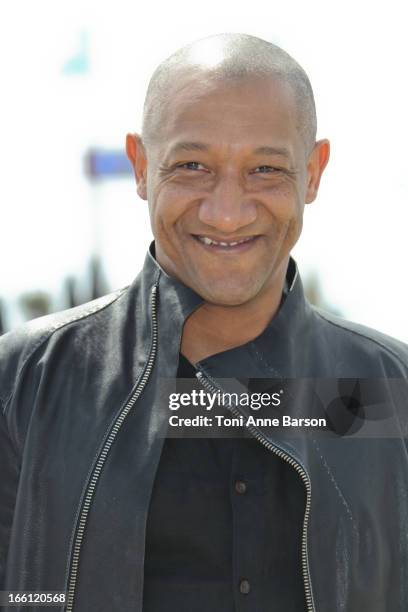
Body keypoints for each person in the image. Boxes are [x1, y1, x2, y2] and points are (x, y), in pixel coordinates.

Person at [1, 33, 408, 612]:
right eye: (192, 166)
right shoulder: (25, 382)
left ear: (313, 173)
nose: (227, 211)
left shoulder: (391, 392)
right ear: (141, 166)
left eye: (265, 169)